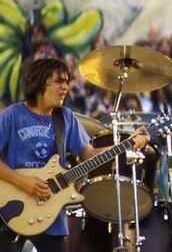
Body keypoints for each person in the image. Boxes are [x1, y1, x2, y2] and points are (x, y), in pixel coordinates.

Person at [0, 58, 149, 252]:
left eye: (67, 82)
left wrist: (128, 144)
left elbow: (89, 155)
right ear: (39, 83)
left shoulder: (65, 117)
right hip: (13, 209)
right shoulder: (11, 115)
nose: (65, 87)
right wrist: (24, 182)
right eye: (59, 81)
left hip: (52, 216)